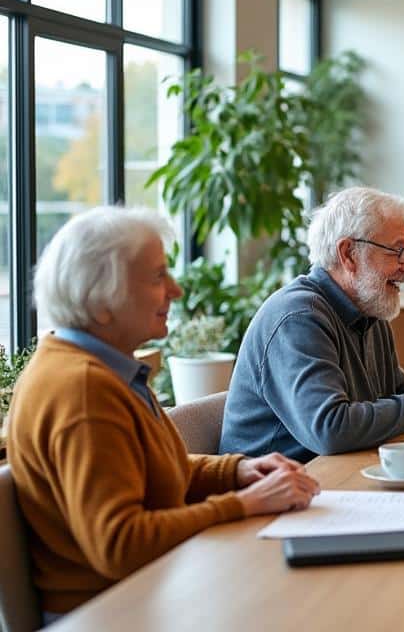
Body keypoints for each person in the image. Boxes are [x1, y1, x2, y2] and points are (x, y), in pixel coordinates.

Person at [6, 207, 319, 621]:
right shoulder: (82, 390)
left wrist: (237, 471)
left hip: (156, 590)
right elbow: (120, 545)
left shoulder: (103, 367)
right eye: (157, 277)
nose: (176, 290)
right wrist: (242, 504)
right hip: (114, 613)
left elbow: (150, 470)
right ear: (101, 302)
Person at [221, 187, 404, 462]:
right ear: (348, 254)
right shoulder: (298, 318)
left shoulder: (369, 310)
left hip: (336, 476)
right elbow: (331, 430)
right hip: (276, 489)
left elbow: (394, 398)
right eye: (398, 252)